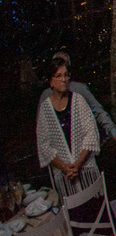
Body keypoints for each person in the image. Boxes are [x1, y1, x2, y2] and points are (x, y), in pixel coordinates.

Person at [36, 58, 102, 197]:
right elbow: (44, 145)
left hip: (85, 170)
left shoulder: (78, 100)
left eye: (66, 75)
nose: (64, 79)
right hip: (65, 177)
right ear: (51, 81)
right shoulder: (45, 109)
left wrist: (78, 164)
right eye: (59, 76)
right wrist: (64, 167)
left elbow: (91, 134)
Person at [37, 51, 116, 145]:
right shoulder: (46, 95)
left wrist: (113, 132)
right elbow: (41, 126)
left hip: (81, 144)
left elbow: (97, 110)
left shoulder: (78, 90)